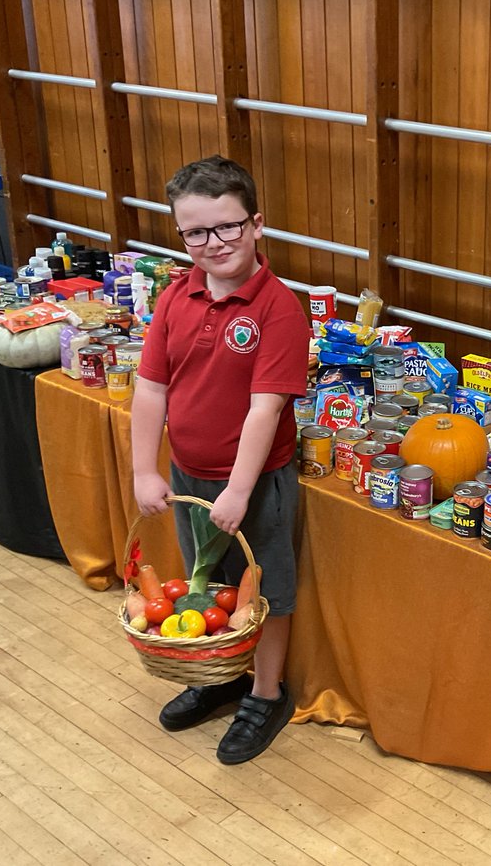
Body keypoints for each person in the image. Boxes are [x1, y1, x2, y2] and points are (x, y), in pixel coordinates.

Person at [132, 155, 310, 764]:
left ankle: (265, 693)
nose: (214, 243)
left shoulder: (278, 308)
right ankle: (223, 676)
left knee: (263, 590)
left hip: (255, 485)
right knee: (206, 584)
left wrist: (237, 490)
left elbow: (265, 410)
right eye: (196, 232)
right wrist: (144, 469)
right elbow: (151, 387)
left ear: (256, 225)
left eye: (228, 226)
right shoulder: (175, 295)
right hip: (187, 476)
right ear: (180, 235)